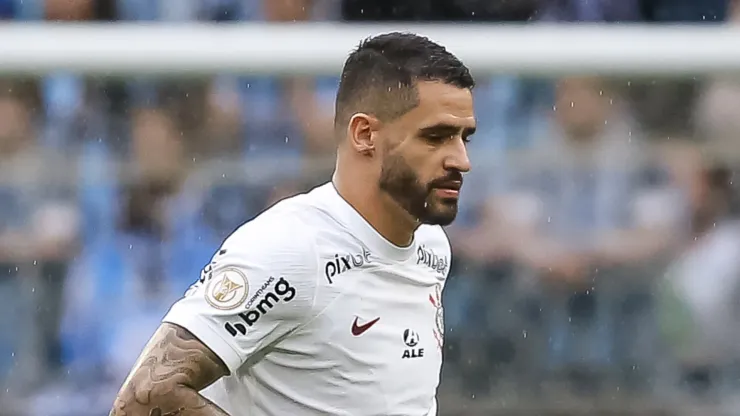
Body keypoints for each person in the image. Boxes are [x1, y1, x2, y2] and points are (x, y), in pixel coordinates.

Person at [108, 32, 476, 416]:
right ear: (365, 135)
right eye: (437, 137)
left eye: (465, 138)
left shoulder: (432, 248)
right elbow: (143, 398)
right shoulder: (292, 248)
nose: (461, 160)